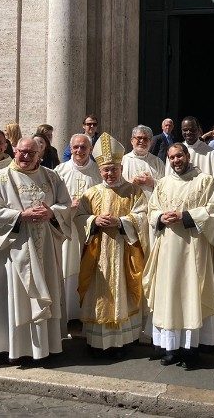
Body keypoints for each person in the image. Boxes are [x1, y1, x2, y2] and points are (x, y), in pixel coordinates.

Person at [0, 137, 72, 362]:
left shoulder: (52, 177)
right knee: (15, 297)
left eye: (32, 153)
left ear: (40, 154)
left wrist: (52, 213)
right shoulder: (1, 178)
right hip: (15, 248)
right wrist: (20, 216)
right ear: (15, 151)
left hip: (45, 250)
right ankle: (14, 349)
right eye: (22, 152)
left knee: (46, 291)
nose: (26, 157)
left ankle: (44, 349)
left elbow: (66, 205)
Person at [143, 142, 214, 369]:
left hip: (193, 249)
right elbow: (152, 209)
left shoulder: (205, 181)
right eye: (172, 157)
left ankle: (190, 348)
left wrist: (185, 216)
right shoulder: (164, 183)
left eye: (179, 156)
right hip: (168, 249)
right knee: (169, 296)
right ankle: (170, 348)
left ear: (187, 156)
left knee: (190, 294)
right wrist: (160, 217)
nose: (176, 160)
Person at [75, 133, 148, 357]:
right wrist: (92, 221)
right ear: (99, 171)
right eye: (105, 169)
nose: (109, 173)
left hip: (123, 249)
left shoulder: (133, 191)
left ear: (120, 167)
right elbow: (79, 217)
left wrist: (122, 221)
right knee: (99, 293)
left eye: (113, 169)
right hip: (98, 253)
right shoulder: (91, 193)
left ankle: (122, 341)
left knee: (123, 291)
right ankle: (97, 341)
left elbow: (143, 216)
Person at [55, 134, 102, 329]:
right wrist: (68, 206)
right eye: (76, 147)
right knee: (67, 266)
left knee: (87, 267)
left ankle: (85, 312)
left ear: (90, 149)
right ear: (70, 148)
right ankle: (67, 313)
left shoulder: (98, 172)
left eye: (83, 147)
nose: (79, 151)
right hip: (66, 228)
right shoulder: (60, 171)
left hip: (89, 229)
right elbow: (53, 200)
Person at [165, 116, 214, 194]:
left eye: (192, 129)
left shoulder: (210, 154)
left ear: (198, 130)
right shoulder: (175, 153)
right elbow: (169, 180)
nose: (188, 132)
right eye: (185, 130)